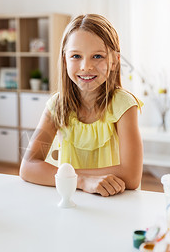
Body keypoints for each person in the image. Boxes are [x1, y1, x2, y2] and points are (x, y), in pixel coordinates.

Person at [19, 14, 143, 197]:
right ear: (64, 60)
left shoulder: (123, 105)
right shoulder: (57, 106)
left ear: (115, 61)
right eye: (76, 56)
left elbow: (131, 177)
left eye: (97, 56)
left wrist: (68, 176)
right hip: (72, 199)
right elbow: (28, 167)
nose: (86, 66)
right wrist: (82, 180)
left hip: (114, 202)